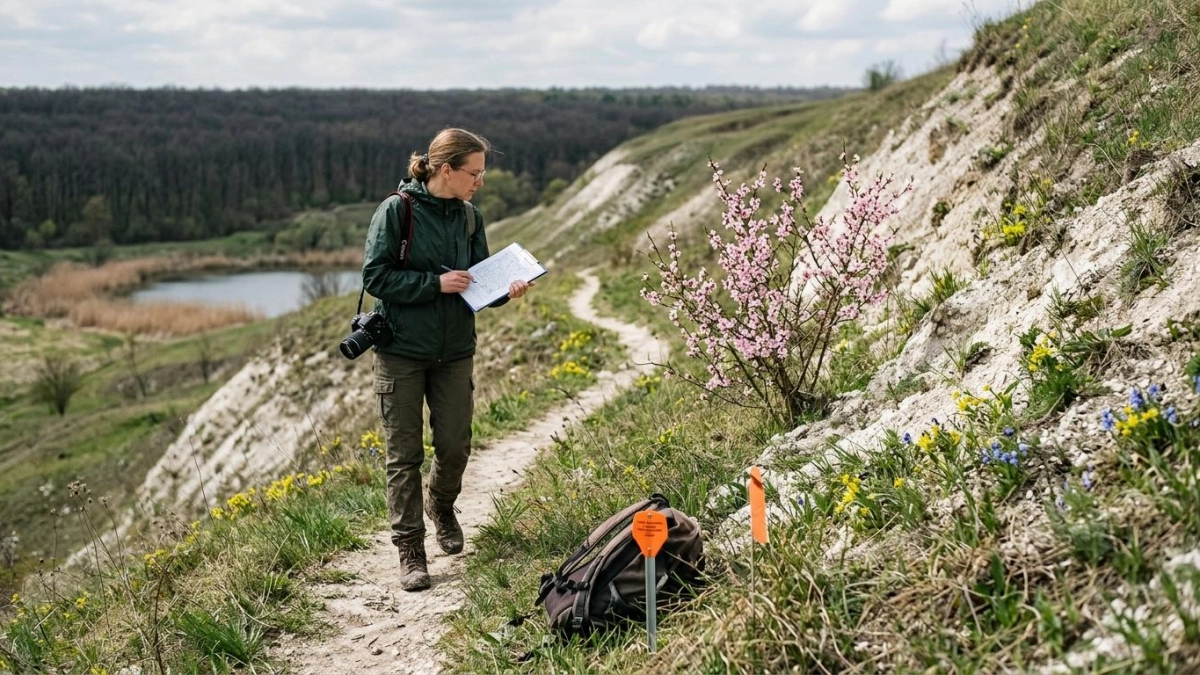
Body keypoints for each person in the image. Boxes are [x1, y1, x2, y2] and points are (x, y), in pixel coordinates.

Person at [361, 128, 531, 592]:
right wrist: (432, 286)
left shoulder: (470, 217)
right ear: (446, 169)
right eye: (473, 174)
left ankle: (442, 505)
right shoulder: (397, 210)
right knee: (404, 455)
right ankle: (411, 550)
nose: (479, 182)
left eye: (481, 174)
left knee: (454, 444)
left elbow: (475, 282)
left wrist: (507, 290)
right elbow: (375, 276)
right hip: (401, 352)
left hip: (455, 349)